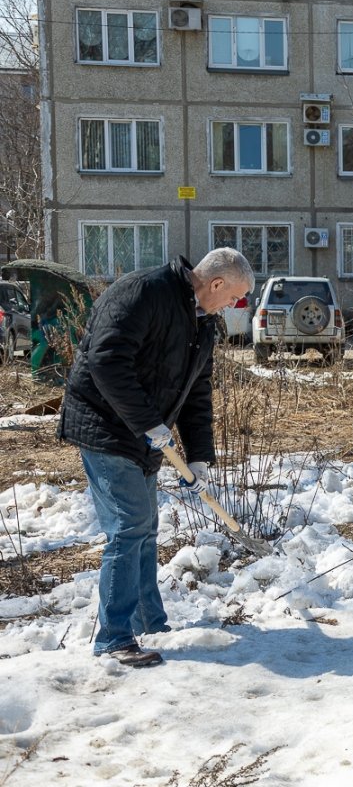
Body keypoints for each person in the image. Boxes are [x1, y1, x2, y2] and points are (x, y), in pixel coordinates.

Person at [56, 248, 254, 667]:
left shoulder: (203, 323)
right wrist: (148, 422)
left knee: (145, 527)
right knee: (129, 527)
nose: (235, 305)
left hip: (145, 435)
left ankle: (148, 622)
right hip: (105, 426)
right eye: (235, 297)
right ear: (216, 283)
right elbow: (106, 361)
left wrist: (199, 457)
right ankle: (113, 639)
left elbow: (197, 393)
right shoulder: (144, 292)